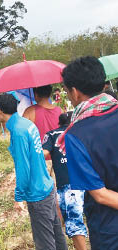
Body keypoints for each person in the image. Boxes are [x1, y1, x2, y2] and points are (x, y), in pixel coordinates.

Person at [57, 56, 118, 250]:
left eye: (66, 91)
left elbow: (100, 195)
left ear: (74, 92)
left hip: (108, 229)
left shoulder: (75, 135)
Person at [0, 94, 67, 250]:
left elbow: (23, 167)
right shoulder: (26, 124)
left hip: (37, 193)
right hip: (47, 186)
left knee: (45, 243)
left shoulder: (18, 132)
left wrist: (18, 196)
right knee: (57, 235)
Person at [43, 112, 87, 250]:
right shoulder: (82, 131)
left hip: (68, 184)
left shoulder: (51, 134)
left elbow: (43, 153)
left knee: (74, 223)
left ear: (59, 123)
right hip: (89, 180)